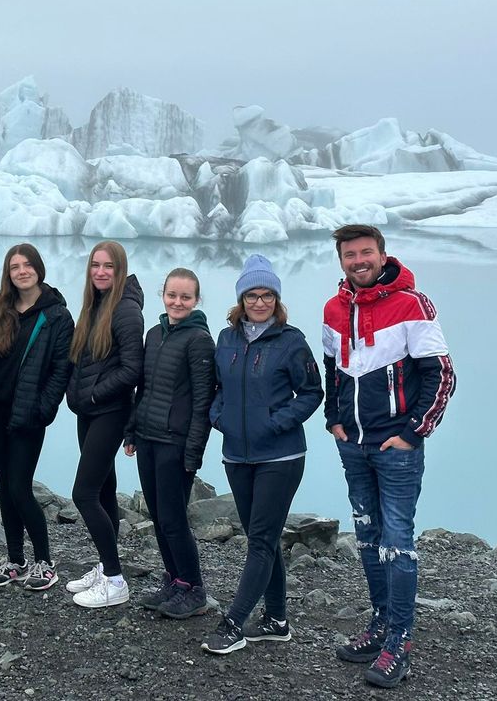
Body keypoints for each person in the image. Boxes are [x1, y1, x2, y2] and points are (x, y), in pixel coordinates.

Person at [322, 224, 456, 689]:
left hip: (394, 448)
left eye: (366, 252)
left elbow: (441, 374)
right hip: (353, 444)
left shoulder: (412, 304)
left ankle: (399, 640)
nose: (358, 261)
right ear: (341, 260)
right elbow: (332, 369)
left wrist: (414, 432)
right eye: (349, 255)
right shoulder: (334, 308)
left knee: (397, 541)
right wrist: (333, 418)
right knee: (366, 536)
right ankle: (380, 625)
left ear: (382, 254)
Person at [201, 254, 323, 655]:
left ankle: (233, 622)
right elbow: (217, 389)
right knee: (262, 539)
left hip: (281, 456)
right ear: (241, 298)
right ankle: (276, 620)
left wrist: (275, 422)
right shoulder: (227, 338)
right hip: (236, 455)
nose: (259, 302)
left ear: (276, 298)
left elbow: (311, 392)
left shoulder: (291, 341)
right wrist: (218, 417)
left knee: (261, 539)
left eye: (266, 294)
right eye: (252, 295)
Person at [0, 243, 74, 591]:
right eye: (14, 266)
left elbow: (60, 369)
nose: (21, 271)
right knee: (6, 487)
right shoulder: (0, 308)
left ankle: (45, 562)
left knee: (20, 488)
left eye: (27, 265)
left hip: (28, 415)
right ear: (8, 273)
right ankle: (15, 561)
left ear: (38, 268)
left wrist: (43, 409)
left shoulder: (56, 316)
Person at [123, 268, 214, 619]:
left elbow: (203, 401)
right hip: (148, 438)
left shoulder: (200, 340)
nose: (178, 302)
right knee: (160, 517)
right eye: (172, 295)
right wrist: (132, 431)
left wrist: (194, 452)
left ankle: (195, 589)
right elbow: (142, 389)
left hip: (175, 443)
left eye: (185, 297)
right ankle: (175, 581)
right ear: (163, 295)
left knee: (174, 519)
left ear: (196, 300)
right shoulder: (154, 334)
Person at [64, 240, 144, 608]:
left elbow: (132, 369)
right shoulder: (94, 305)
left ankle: (114, 580)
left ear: (120, 270)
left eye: (108, 266)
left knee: (84, 493)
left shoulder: (126, 311)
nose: (100, 271)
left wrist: (94, 395)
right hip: (89, 413)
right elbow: (82, 360)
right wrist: (77, 395)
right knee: (104, 491)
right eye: (95, 265)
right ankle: (106, 566)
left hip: (110, 413)